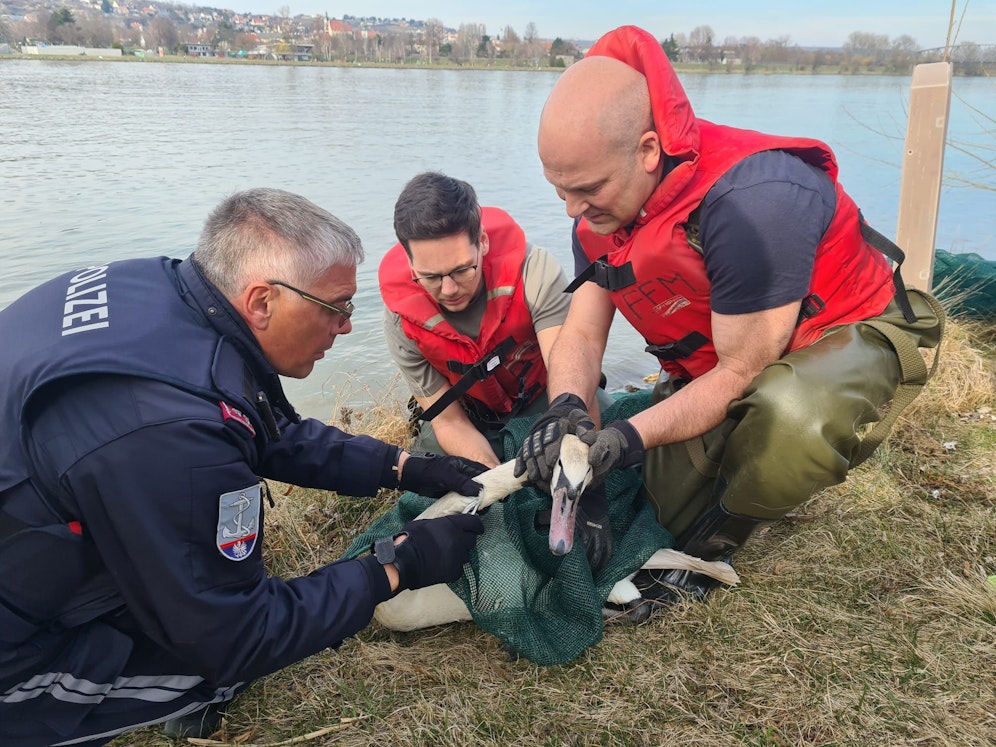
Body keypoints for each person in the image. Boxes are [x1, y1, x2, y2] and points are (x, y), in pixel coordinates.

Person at [0, 188, 490, 746]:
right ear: (262, 302)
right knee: (211, 667)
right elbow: (240, 636)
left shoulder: (166, 292)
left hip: (37, 516)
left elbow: (261, 427)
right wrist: (397, 566)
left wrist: (404, 466)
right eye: (338, 307)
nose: (348, 326)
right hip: (13, 650)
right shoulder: (171, 435)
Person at [516, 25, 943, 621]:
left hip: (853, 334)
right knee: (656, 502)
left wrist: (627, 437)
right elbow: (583, 334)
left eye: (586, 188)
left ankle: (712, 552)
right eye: (558, 189)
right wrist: (566, 407)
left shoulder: (751, 204)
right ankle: (703, 498)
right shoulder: (600, 220)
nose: (571, 210)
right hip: (729, 360)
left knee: (786, 416)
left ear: (647, 149)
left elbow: (746, 366)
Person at [379, 171, 616, 569]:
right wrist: (499, 482)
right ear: (409, 262)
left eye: (461, 270)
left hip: (542, 397)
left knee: (601, 411)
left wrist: (586, 486)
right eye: (432, 277)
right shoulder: (400, 322)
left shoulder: (534, 272)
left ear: (483, 243)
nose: (449, 289)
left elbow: (572, 381)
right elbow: (449, 423)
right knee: (437, 464)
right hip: (471, 417)